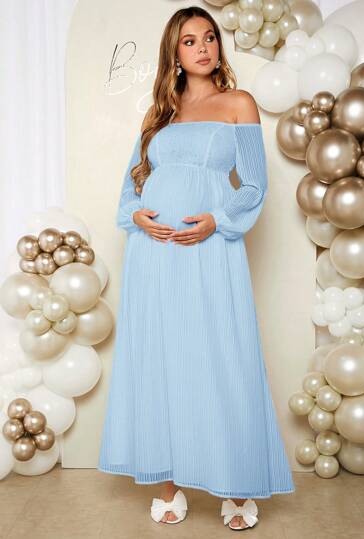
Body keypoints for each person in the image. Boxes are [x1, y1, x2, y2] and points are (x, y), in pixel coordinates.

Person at [97, 5, 295, 531]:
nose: (203, 47)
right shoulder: (159, 113)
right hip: (154, 253)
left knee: (222, 355)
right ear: (175, 53)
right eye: (190, 41)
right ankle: (168, 484)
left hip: (210, 247)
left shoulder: (239, 103)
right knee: (161, 357)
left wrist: (218, 221)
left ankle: (237, 485)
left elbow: (254, 185)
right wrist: (136, 214)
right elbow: (132, 184)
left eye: (209, 37)